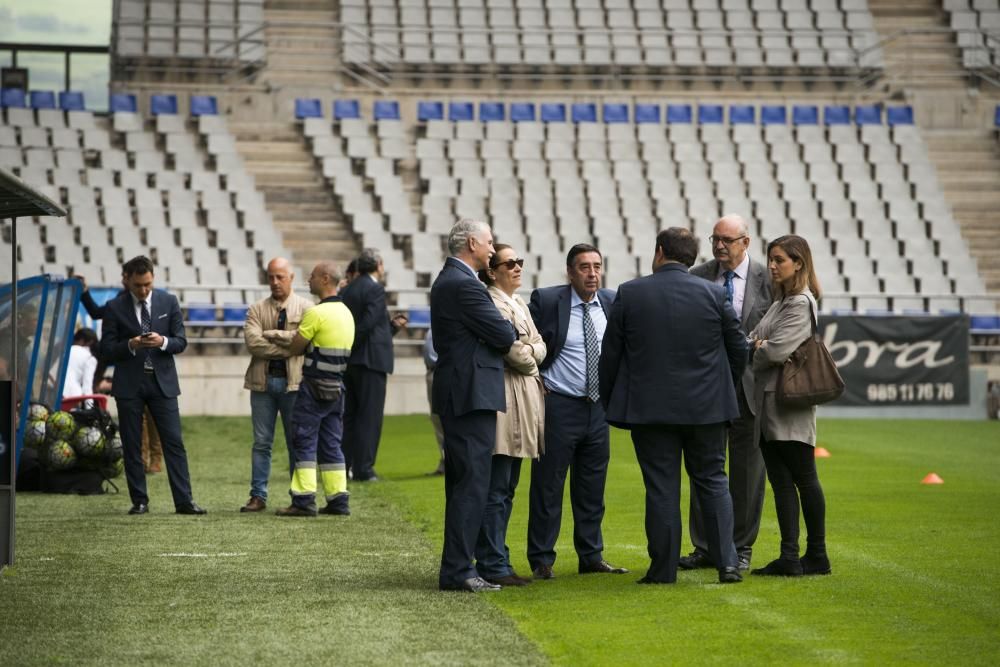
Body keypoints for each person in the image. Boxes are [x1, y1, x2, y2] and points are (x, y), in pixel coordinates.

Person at [599, 227, 748, 585]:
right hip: (708, 409)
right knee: (713, 481)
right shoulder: (714, 294)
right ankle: (727, 564)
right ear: (692, 257)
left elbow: (611, 355)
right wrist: (721, 386)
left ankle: (663, 570)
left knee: (662, 488)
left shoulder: (631, 293)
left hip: (651, 411)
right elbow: (739, 348)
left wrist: (610, 399)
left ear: (660, 251)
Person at [527, 243, 628, 580]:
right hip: (559, 406)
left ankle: (591, 556)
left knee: (592, 488)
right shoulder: (547, 300)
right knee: (548, 486)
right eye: (584, 267)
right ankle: (542, 559)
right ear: (570, 272)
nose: (592, 273)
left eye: (596, 266)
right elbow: (528, 343)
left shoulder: (613, 303)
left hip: (598, 409)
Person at [680, 214, 772, 572]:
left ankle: (741, 547)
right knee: (705, 467)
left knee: (748, 473)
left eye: (727, 240)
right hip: (708, 387)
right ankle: (704, 547)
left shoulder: (769, 280)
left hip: (751, 388)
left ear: (745, 243)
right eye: (715, 239)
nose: (719, 245)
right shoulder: (697, 277)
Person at [431, 219, 516, 592]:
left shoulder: (455, 281)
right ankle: (458, 571)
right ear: (471, 243)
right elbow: (503, 333)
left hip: (461, 392)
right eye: (489, 242)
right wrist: (501, 333)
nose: (493, 250)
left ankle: (459, 567)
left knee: (465, 483)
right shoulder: (465, 285)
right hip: (469, 395)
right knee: (471, 484)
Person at [749, 235, 830, 577]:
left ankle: (816, 555)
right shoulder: (782, 301)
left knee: (803, 478)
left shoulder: (799, 303)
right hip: (770, 402)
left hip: (789, 404)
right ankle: (790, 556)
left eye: (779, 259)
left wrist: (760, 346)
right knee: (782, 481)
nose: (771, 265)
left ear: (799, 263)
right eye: (770, 259)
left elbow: (775, 350)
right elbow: (752, 337)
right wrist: (759, 344)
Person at [98, 255, 205, 515]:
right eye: (138, 285)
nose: (143, 290)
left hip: (163, 384)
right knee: (132, 445)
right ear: (128, 282)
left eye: (147, 284)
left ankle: (184, 502)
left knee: (174, 443)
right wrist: (132, 345)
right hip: (129, 385)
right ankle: (140, 501)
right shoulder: (114, 307)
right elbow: (106, 350)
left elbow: (181, 341)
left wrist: (163, 342)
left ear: (153, 278)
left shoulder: (169, 301)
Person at [474, 244, 547, 587]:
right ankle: (493, 561)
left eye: (520, 262)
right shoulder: (490, 301)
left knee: (506, 487)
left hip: (522, 399)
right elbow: (513, 351)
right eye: (510, 263)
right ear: (492, 271)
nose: (518, 267)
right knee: (497, 487)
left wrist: (529, 351)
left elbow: (536, 343)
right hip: (506, 399)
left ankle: (496, 557)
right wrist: (531, 353)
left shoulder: (517, 302)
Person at [275, 262, 355, 517]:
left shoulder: (316, 314)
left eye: (312, 276)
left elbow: (296, 347)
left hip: (312, 388)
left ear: (324, 279)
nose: (308, 280)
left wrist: (283, 338)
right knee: (332, 443)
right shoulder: (346, 313)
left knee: (304, 440)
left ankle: (303, 500)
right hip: (337, 388)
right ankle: (338, 499)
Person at [239, 257, 314, 513]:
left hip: (294, 386)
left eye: (280, 277)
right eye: (271, 276)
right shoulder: (256, 309)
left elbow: (304, 342)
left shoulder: (306, 308)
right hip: (262, 385)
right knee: (261, 442)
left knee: (296, 443)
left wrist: (274, 334)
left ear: (291, 278)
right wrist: (288, 346)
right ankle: (258, 496)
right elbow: (253, 344)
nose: (274, 282)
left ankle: (299, 498)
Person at [77, 273, 163, 473]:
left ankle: (156, 458)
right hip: (130, 364)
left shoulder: (156, 301)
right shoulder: (118, 303)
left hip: (153, 363)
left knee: (153, 414)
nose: (124, 280)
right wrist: (85, 292)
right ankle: (141, 459)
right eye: (126, 277)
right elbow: (98, 313)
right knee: (137, 416)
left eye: (126, 276)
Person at [340, 249, 407, 482]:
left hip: (351, 362)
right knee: (369, 417)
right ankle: (364, 469)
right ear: (378, 265)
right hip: (371, 361)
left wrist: (391, 327)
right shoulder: (375, 288)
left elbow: (368, 325)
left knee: (349, 416)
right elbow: (367, 325)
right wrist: (353, 342)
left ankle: (344, 466)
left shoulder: (347, 289)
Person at [422, 328, 446, 475]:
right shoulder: (432, 325)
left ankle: (451, 462)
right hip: (433, 372)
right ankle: (445, 461)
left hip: (441, 371)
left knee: (445, 421)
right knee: (437, 420)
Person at [62, 328, 98, 403]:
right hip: (73, 396)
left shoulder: (64, 350)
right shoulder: (90, 358)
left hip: (55, 395)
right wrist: (90, 408)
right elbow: (87, 387)